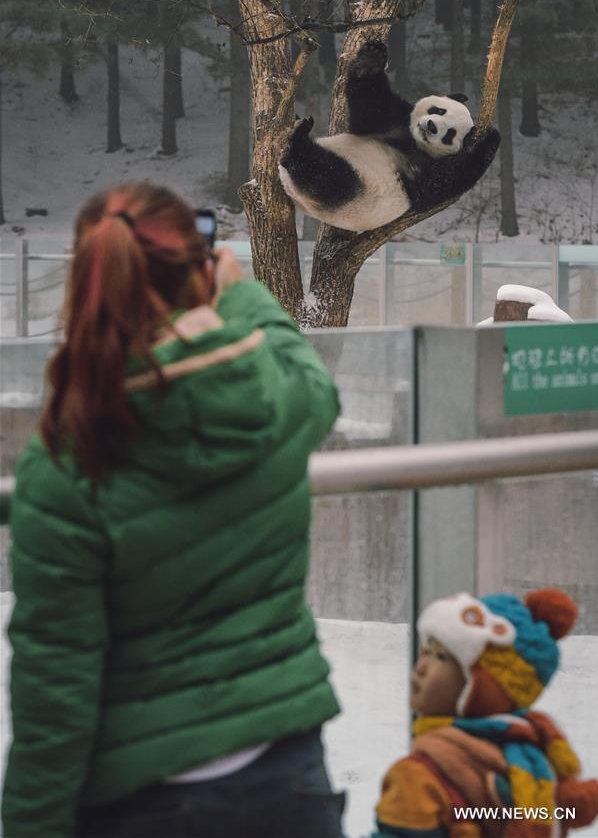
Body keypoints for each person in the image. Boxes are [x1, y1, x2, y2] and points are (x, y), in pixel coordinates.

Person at [2, 182, 345, 838]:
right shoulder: (272, 397)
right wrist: (243, 294)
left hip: (145, 800)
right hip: (288, 781)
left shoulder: (69, 461)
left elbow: (55, 699)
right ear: (202, 272)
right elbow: (316, 384)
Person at [371, 589, 598, 837]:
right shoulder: (531, 758)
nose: (422, 667)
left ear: (483, 685)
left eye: (441, 657)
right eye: (425, 651)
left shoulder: (420, 775)